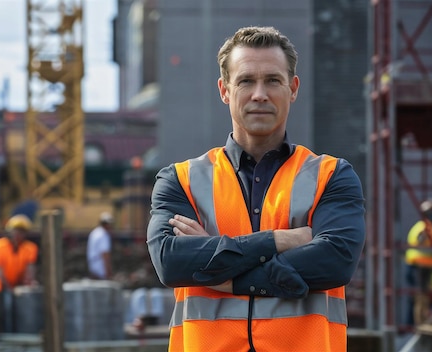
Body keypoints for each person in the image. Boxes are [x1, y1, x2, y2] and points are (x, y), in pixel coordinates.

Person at [146, 26, 366, 352]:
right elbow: (170, 263)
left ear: (293, 88)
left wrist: (224, 275)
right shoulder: (181, 180)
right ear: (224, 90)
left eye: (273, 80)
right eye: (246, 80)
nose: (259, 93)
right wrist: (279, 240)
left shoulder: (332, 176)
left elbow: (335, 262)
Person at [405, 199, 432, 325]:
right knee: (421, 298)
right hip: (418, 267)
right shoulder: (424, 228)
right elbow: (422, 244)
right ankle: (421, 325)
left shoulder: (430, 227)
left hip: (427, 268)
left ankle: (428, 323)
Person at [0, 214, 39, 293]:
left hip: (18, 285)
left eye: (21, 231)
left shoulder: (30, 248)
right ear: (9, 231)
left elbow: (30, 268)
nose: (18, 234)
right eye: (15, 230)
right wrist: (9, 288)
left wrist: (28, 282)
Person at [86, 211, 113, 280]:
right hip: (100, 266)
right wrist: (109, 272)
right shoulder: (103, 235)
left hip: (92, 265)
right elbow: (105, 254)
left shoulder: (95, 232)